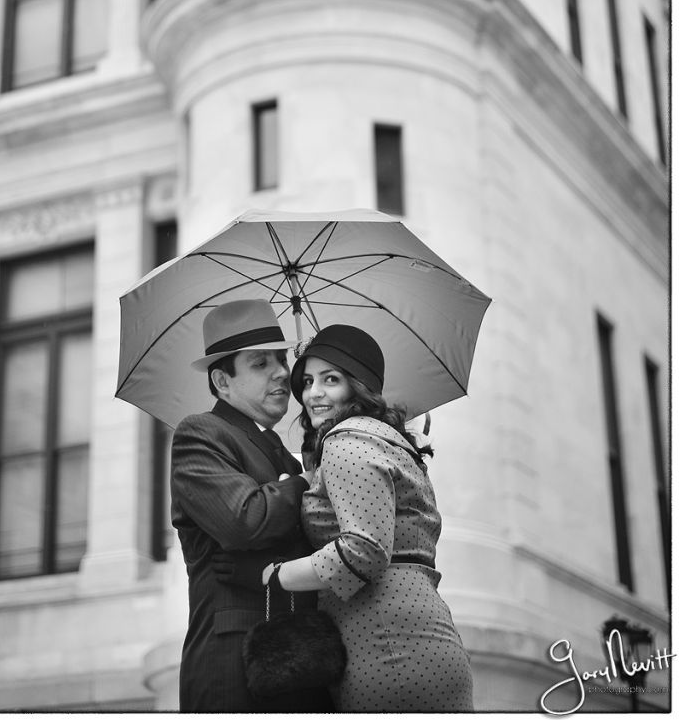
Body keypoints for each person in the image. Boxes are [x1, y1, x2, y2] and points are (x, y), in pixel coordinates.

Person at [260, 325, 474, 713]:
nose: (313, 394)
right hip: (420, 634)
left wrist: (281, 574)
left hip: (386, 644)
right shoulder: (389, 441)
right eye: (307, 381)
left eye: (331, 379)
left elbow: (364, 550)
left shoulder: (346, 439)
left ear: (357, 386)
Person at [170, 299, 333, 713]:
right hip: (234, 666)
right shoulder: (201, 433)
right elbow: (246, 520)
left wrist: (298, 475)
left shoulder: (288, 452)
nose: (282, 372)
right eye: (260, 364)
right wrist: (304, 483)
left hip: (305, 663)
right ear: (223, 382)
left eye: (281, 359)